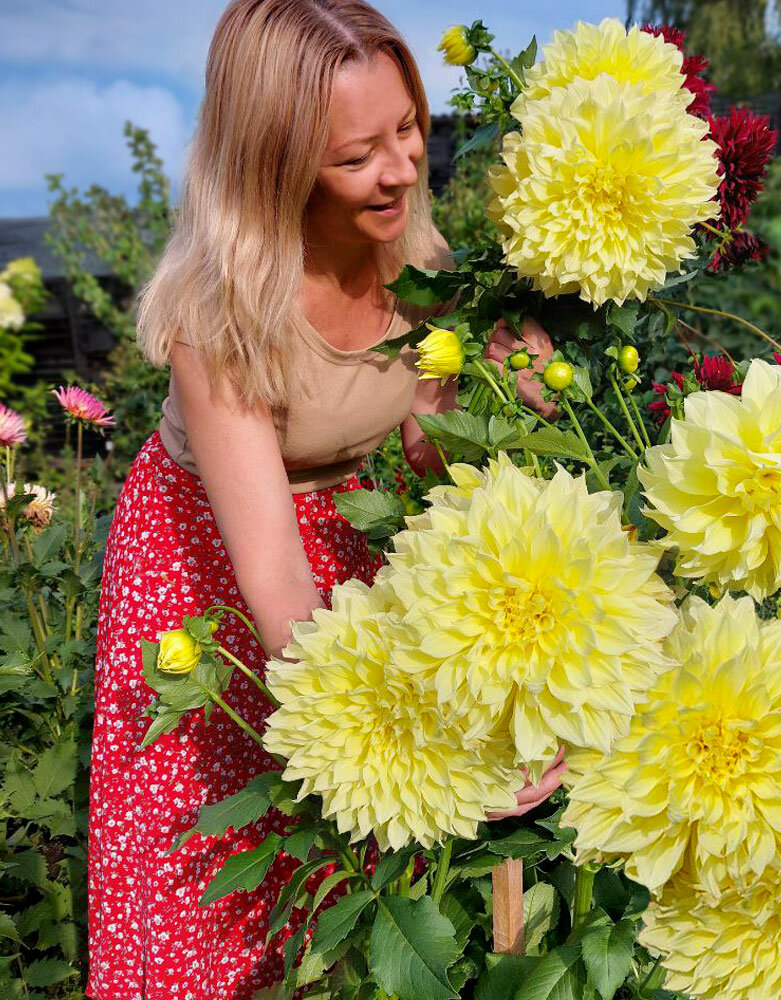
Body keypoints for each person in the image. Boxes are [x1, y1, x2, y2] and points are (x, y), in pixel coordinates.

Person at [85, 3, 564, 998]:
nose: (400, 166)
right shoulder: (217, 316)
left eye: (407, 126)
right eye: (357, 155)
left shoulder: (417, 268)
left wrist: (522, 673)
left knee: (335, 895)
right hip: (209, 572)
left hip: (345, 538)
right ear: (278, 163)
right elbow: (277, 587)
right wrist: (439, 767)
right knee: (212, 876)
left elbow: (436, 474)